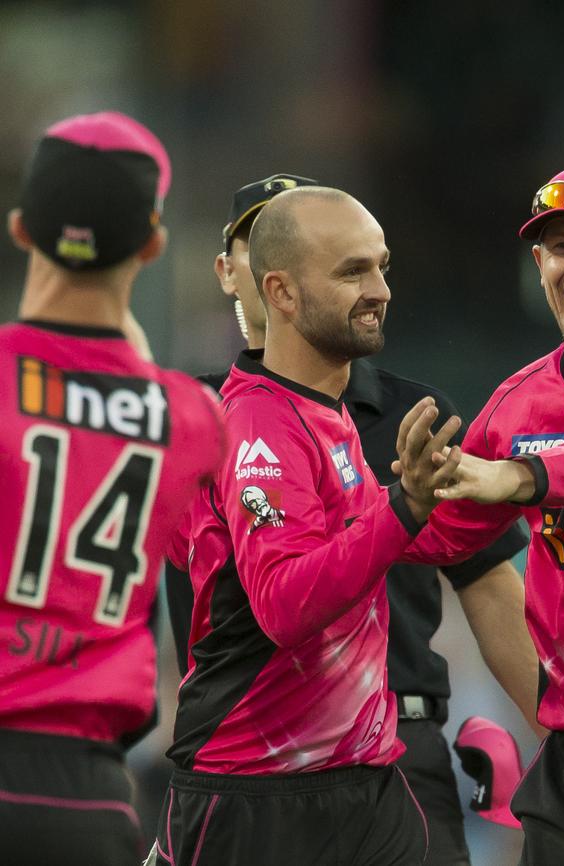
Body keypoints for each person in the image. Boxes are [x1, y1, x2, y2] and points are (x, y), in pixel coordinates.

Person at [153, 185, 539, 866]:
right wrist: (406, 505)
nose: (381, 288)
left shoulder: (328, 414)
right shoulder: (257, 426)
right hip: (257, 793)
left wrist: (536, 476)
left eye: (382, 266)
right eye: (353, 271)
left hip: (365, 780)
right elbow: (285, 603)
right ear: (282, 293)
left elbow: (425, 542)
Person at [406, 159, 564, 866]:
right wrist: (363, 511)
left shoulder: (523, 448)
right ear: (538, 262)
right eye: (563, 248)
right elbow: (440, 535)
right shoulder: (517, 404)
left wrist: (519, 477)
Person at [0, 111, 225, 866]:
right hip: (89, 805)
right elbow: (121, 369)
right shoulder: (192, 417)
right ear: (154, 245)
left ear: (21, 227)